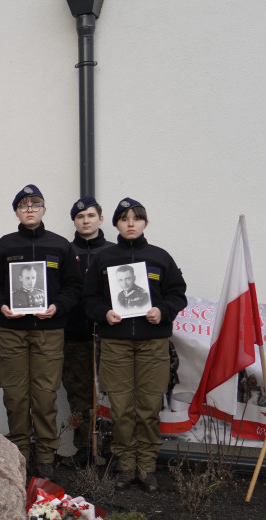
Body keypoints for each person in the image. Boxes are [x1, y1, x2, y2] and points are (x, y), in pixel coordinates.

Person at [83, 198, 187, 492]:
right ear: (115, 223)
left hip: (152, 344)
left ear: (145, 223)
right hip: (115, 344)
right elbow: (88, 299)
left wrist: (162, 311)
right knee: (122, 408)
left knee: (149, 407)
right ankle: (126, 467)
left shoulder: (160, 257)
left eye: (136, 218)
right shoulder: (103, 259)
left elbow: (178, 295)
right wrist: (104, 313)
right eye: (124, 218)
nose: (130, 223)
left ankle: (147, 468)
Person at [0, 185, 82, 480]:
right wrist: (1, 306)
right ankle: (20, 453)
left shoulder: (61, 246)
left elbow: (74, 287)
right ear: (16, 211)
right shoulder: (4, 245)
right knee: (14, 395)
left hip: (48, 331)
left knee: (44, 396)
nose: (29, 209)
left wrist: (57, 307)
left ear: (44, 210)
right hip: (11, 330)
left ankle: (46, 456)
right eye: (23, 205)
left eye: (35, 204)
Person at [61, 196, 113, 466]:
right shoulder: (65, 252)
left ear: (100, 219)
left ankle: (114, 450)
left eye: (91, 216)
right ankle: (84, 449)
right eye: (80, 217)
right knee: (78, 394)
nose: (85, 221)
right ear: (75, 221)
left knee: (113, 393)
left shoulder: (114, 253)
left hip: (111, 336)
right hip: (74, 334)